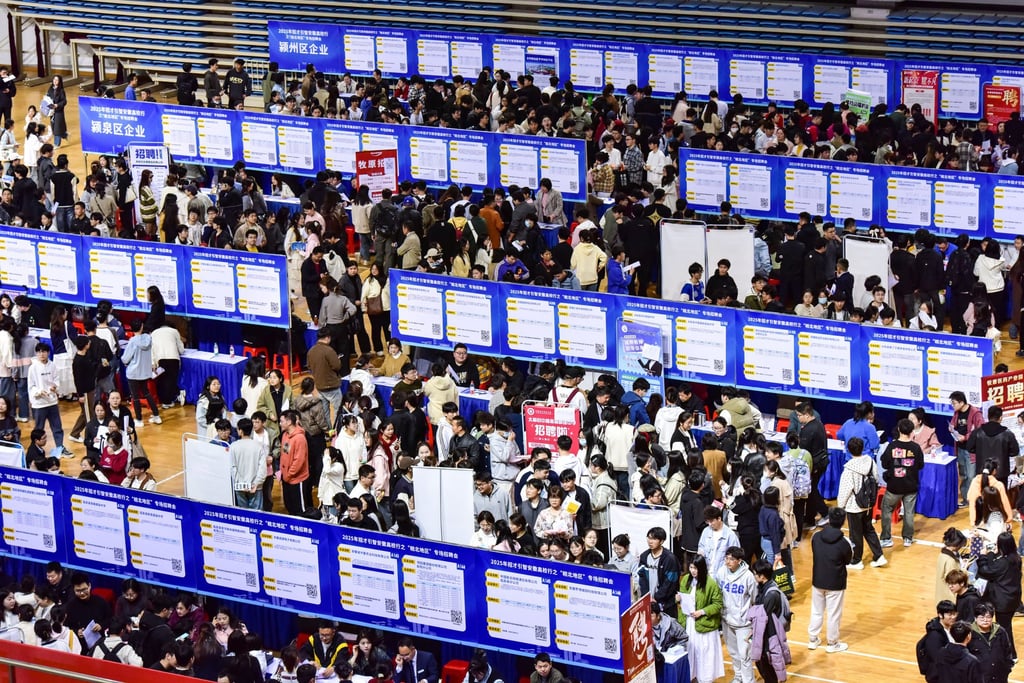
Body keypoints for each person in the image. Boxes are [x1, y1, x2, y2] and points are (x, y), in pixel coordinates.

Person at [807, 507, 853, 653]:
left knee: (816, 610)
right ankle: (832, 643)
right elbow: (848, 560)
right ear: (843, 522)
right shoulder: (845, 542)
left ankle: (813, 640)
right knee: (834, 613)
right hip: (835, 582)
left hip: (818, 579)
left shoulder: (815, 536)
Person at [836, 437, 886, 569]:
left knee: (855, 533)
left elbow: (845, 491)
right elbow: (876, 478)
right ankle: (879, 555)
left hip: (854, 506)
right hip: (868, 503)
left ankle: (857, 560)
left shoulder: (849, 469)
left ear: (848, 450)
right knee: (869, 529)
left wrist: (840, 507)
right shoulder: (870, 462)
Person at [678, 555, 725, 683]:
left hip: (705, 626)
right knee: (691, 654)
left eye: (696, 568)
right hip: (689, 623)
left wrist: (702, 612)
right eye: (691, 567)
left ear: (702, 568)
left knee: (705, 656)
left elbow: (718, 604)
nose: (693, 571)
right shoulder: (686, 580)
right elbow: (683, 599)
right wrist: (679, 599)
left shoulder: (710, 583)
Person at [879, 418, 924, 547]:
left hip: (894, 486)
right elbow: (920, 465)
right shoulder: (916, 448)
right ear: (912, 431)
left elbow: (885, 463)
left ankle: (886, 538)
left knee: (887, 510)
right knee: (909, 512)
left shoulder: (891, 446)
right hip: (911, 486)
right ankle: (907, 539)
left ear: (899, 429)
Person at [715, 545, 757, 683]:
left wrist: (752, 622)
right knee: (733, 653)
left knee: (745, 654)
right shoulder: (721, 572)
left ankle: (748, 680)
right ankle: (738, 676)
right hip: (726, 620)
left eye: (731, 559)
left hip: (743, 623)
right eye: (726, 558)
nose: (728, 562)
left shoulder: (748, 576)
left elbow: (755, 599)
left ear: (739, 560)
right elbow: (718, 593)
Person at [976, 532, 1021, 658]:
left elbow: (986, 571)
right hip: (1012, 599)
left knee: (1004, 628)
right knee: (1005, 626)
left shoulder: (1003, 563)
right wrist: (991, 554)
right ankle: (1006, 652)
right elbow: (996, 566)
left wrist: (983, 556)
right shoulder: (1015, 558)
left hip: (1003, 601)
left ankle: (1011, 655)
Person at [28, 341, 68, 456]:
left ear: (48, 353)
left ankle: (60, 448)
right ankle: (35, 449)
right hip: (39, 404)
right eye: (39, 352)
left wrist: (55, 387)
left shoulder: (52, 365)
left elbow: (56, 380)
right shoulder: (33, 368)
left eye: (44, 351)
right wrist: (39, 392)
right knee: (38, 429)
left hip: (52, 402)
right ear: (36, 353)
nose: (41, 354)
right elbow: (31, 386)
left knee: (57, 427)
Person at [965, 405, 1019, 488]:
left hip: (983, 471)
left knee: (983, 495)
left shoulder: (977, 432)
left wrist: (979, 450)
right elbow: (1015, 451)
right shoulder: (1008, 434)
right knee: (1000, 496)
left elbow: (969, 447)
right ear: (1000, 418)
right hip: (1001, 473)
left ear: (988, 416)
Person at [122, 320, 161, 424]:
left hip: (133, 373)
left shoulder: (132, 341)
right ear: (142, 327)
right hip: (145, 371)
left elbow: (125, 358)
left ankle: (139, 419)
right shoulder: (148, 338)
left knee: (135, 396)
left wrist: (125, 361)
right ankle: (157, 415)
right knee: (147, 393)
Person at [950, 391, 985, 508]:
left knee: (971, 476)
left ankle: (974, 499)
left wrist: (965, 437)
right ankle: (966, 499)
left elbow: (979, 430)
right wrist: (951, 428)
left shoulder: (975, 413)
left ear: (961, 402)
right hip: (960, 448)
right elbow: (953, 423)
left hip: (971, 450)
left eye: (954, 403)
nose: (953, 406)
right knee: (963, 475)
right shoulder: (957, 413)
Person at [637, 526, 680, 617]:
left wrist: (657, 597)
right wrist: (647, 597)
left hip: (666, 603)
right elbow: (642, 577)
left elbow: (670, 582)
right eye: (649, 538)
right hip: (648, 601)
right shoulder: (644, 556)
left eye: (654, 539)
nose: (650, 541)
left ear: (662, 541)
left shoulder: (670, 559)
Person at [967, 603, 1013, 683]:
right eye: (982, 617)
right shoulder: (968, 633)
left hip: (1000, 677)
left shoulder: (1000, 631)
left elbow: (1007, 651)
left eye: (988, 617)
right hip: (978, 678)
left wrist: (1007, 669)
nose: (985, 620)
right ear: (975, 618)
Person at [280, 410, 311, 515]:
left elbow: (299, 461)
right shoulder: (285, 435)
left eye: (282, 421)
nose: (280, 424)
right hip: (286, 478)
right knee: (289, 506)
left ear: (289, 422)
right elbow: (284, 454)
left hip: (297, 479)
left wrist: (289, 474)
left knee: (299, 509)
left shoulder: (300, 438)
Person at [921, 600, 961, 683]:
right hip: (939, 676)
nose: (953, 617)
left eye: (954, 613)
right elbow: (938, 658)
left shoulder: (952, 627)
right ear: (940, 615)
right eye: (950, 614)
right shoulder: (934, 636)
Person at [936, 527, 968, 603]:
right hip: (950, 597)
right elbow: (954, 580)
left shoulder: (942, 554)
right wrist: (964, 569)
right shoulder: (950, 561)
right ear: (956, 545)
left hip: (941, 593)